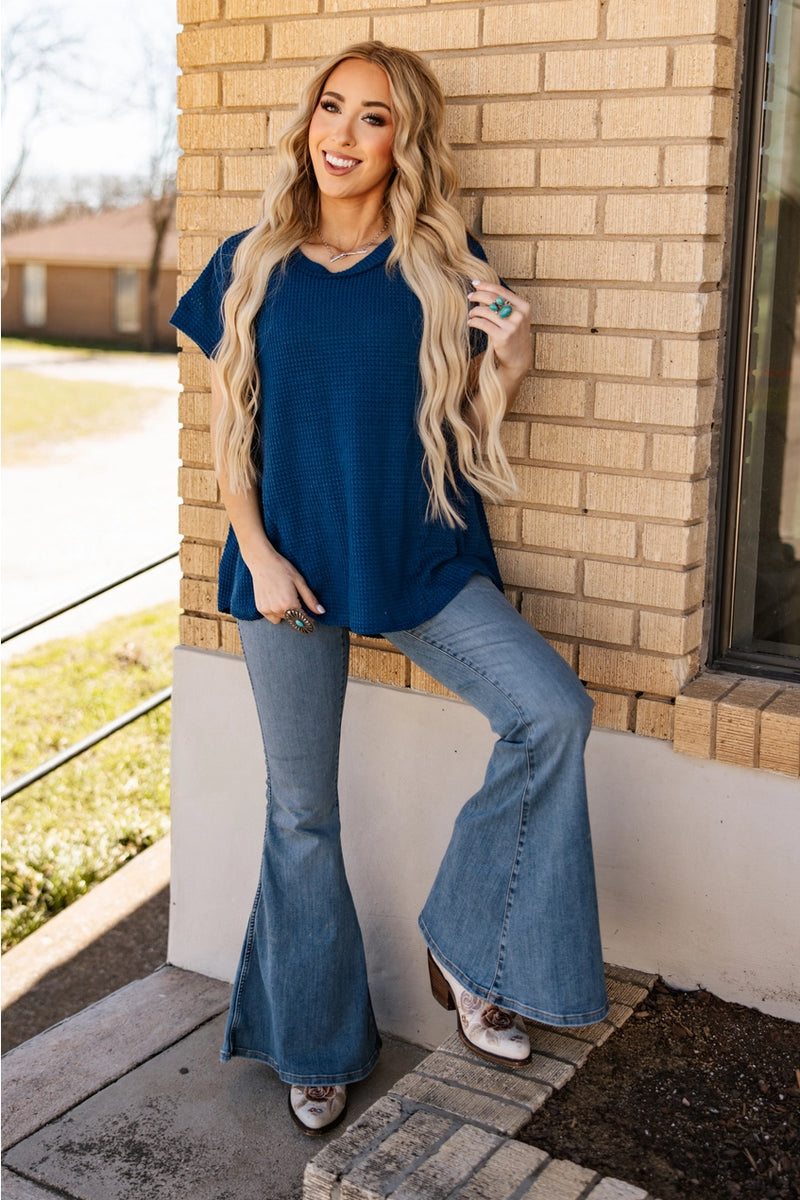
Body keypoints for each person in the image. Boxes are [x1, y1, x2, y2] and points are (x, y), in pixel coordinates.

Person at [171, 40, 608, 1136]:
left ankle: (470, 950)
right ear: (308, 120)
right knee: (301, 813)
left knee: (550, 713)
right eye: (332, 107)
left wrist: (509, 365)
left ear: (402, 142)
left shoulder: (440, 263)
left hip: (416, 557)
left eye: (372, 117)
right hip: (284, 565)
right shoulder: (250, 262)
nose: (343, 134)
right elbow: (228, 435)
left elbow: (459, 430)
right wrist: (258, 553)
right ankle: (314, 1046)